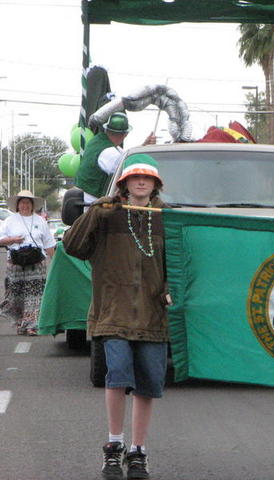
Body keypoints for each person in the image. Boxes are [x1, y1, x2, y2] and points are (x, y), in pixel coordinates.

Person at [63, 154, 170, 480]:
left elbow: (181, 263)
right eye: (134, 178)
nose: (141, 183)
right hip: (113, 313)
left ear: (155, 184)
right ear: (123, 183)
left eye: (147, 178)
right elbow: (73, 245)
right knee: (118, 376)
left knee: (148, 385)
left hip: (153, 316)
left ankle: (138, 451)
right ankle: (114, 446)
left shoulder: (167, 218)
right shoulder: (106, 214)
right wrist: (96, 213)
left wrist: (169, 287)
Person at [0, 190, 56, 335]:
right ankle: (20, 323)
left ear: (32, 205)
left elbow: (49, 244)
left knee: (36, 295)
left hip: (36, 264)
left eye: (28, 203)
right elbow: (1, 239)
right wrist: (13, 240)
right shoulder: (9, 221)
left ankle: (33, 324)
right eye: (22, 202)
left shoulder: (40, 221)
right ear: (18, 205)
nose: (25, 205)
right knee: (16, 295)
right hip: (16, 264)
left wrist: (55, 261)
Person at [75, 112, 156, 206]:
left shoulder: (98, 141)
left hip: (91, 203)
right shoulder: (109, 153)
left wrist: (144, 146)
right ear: (125, 134)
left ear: (107, 129)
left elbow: (125, 155)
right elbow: (128, 170)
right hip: (96, 208)